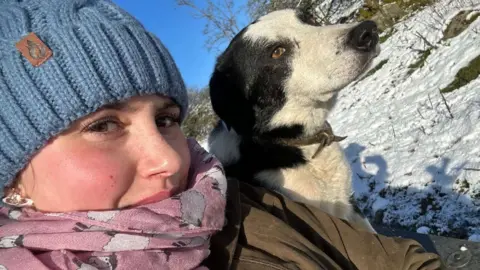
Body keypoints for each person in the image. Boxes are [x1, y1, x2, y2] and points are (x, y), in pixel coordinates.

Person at [0, 0, 445, 269]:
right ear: (13, 173)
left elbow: (388, 255)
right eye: (103, 125)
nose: (173, 160)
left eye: (166, 118)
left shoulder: (238, 203)